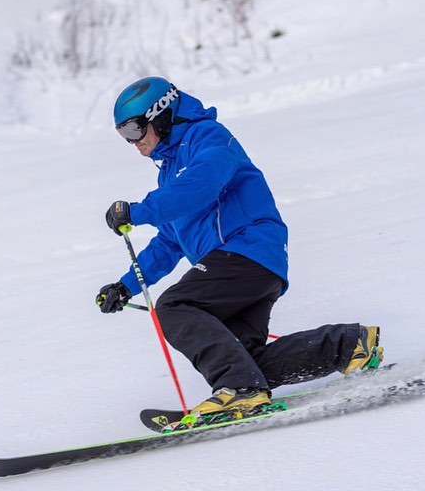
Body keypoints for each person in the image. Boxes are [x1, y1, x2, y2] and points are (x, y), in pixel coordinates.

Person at [97, 76, 383, 417]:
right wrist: (125, 286)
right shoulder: (170, 173)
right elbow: (169, 241)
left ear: (161, 114)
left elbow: (199, 186)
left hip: (247, 251)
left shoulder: (209, 139)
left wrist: (139, 210)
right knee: (248, 361)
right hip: (249, 267)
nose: (133, 143)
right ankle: (348, 345)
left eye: (133, 130)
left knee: (174, 307)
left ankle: (240, 390)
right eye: (123, 135)